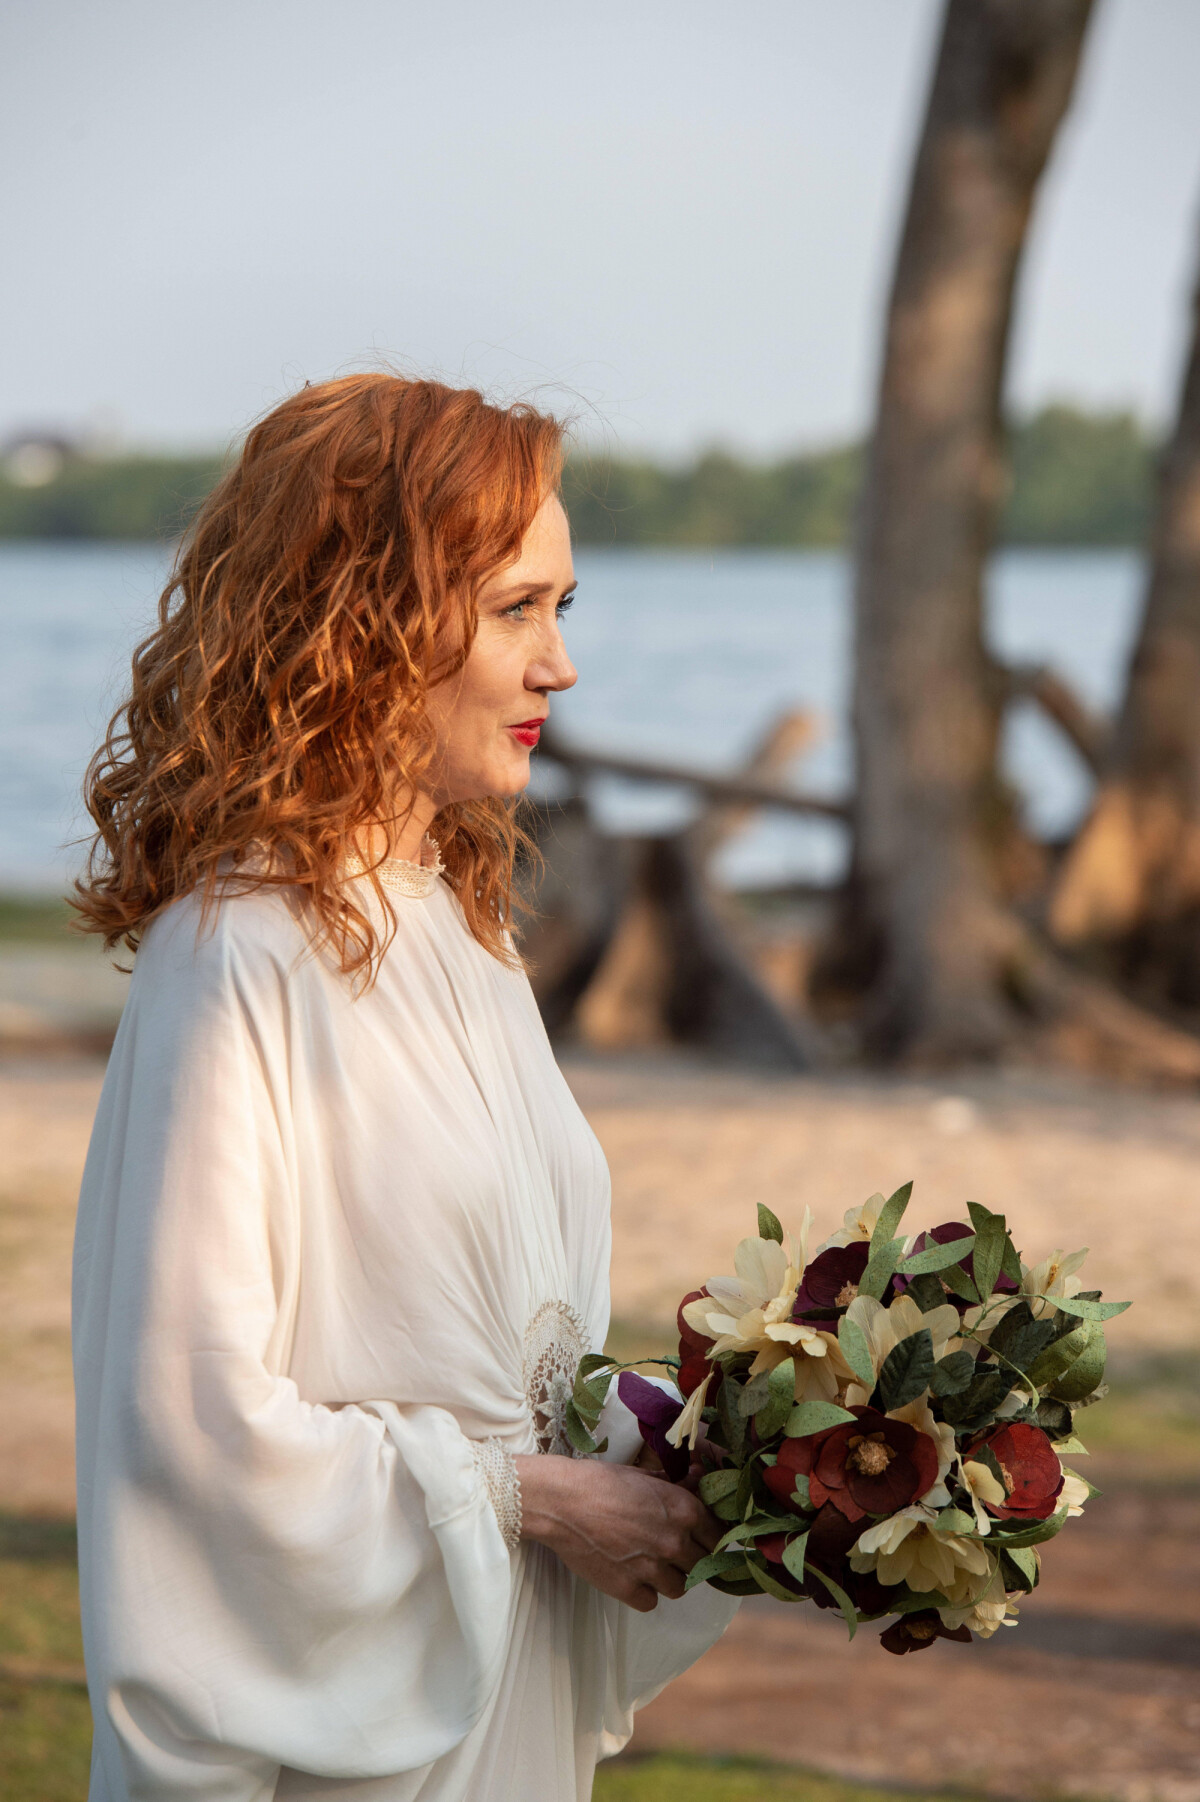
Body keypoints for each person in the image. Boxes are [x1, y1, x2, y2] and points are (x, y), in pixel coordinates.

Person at [70, 375, 738, 1802]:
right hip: (359, 1747)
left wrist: (746, 1441)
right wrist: (534, 1498)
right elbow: (188, 1418)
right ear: (359, 622)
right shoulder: (237, 952)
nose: (559, 666)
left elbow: (492, 1347)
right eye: (517, 610)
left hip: (502, 1707)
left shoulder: (463, 929)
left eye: (566, 609)